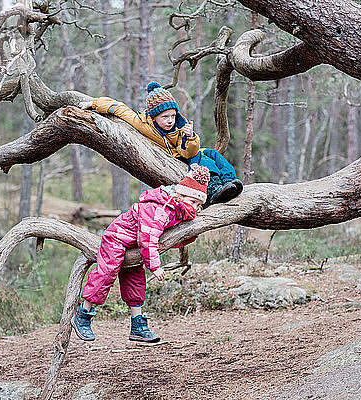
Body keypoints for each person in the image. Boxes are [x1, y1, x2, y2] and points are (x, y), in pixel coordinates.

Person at [71, 165, 210, 343]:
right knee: (107, 271)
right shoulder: (159, 208)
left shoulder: (176, 211)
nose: (195, 207)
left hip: (134, 245)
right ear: (180, 194)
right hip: (118, 237)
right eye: (192, 202)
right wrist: (155, 266)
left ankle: (137, 325)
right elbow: (148, 238)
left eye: (198, 204)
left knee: (136, 279)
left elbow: (166, 238)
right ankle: (83, 314)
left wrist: (186, 237)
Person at [78, 81, 243, 205]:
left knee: (212, 154)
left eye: (172, 115)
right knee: (202, 160)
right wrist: (92, 104)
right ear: (154, 116)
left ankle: (229, 182)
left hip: (185, 152)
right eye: (165, 117)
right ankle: (213, 189)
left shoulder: (179, 126)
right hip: (177, 159)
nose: (170, 120)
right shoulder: (143, 123)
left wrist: (190, 136)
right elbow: (119, 108)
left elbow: (189, 151)